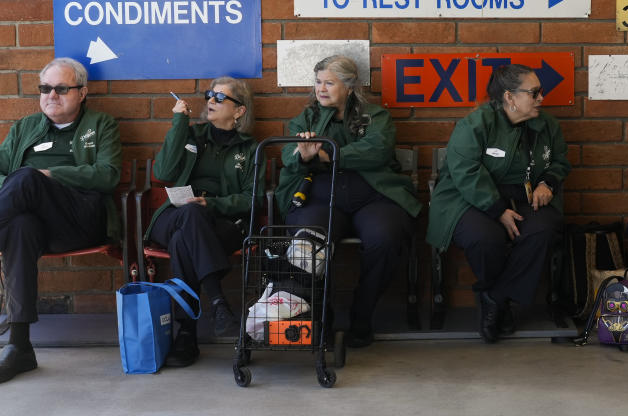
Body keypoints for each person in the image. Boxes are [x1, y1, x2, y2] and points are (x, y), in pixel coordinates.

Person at [275, 56, 421, 348]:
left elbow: (377, 150)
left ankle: (362, 314)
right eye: (318, 82)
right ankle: (320, 318)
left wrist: (329, 154)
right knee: (308, 242)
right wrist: (303, 155)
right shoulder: (308, 117)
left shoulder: (375, 116)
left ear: (350, 86)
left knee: (386, 237)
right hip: (321, 195)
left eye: (329, 82)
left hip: (373, 194)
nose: (321, 89)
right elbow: (287, 155)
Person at [426, 64, 570, 343]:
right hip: (469, 197)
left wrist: (548, 183)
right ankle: (500, 306)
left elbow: (561, 161)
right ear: (510, 97)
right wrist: (497, 210)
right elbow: (465, 171)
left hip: (525, 195)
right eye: (535, 92)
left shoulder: (547, 125)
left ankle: (495, 297)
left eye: (541, 92)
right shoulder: (476, 124)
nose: (541, 98)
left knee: (544, 228)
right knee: (484, 237)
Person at [0, 58, 122, 383]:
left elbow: (108, 176)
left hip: (81, 221)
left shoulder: (101, 124)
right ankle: (20, 346)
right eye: (45, 88)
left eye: (61, 88)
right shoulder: (25, 127)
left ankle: (17, 343)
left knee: (25, 178)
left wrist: (48, 175)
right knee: (18, 226)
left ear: (82, 93)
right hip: (36, 224)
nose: (51, 95)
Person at [144, 77, 259, 367]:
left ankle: (187, 335)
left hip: (221, 221)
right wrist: (178, 125)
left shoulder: (250, 149)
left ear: (239, 111)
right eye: (210, 95)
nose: (210, 100)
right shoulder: (192, 136)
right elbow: (165, 171)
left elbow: (252, 198)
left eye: (220, 98)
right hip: (173, 215)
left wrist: (215, 203)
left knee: (186, 238)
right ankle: (217, 301)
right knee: (190, 217)